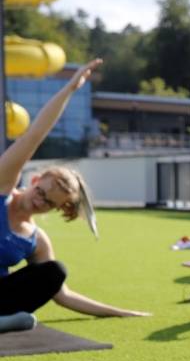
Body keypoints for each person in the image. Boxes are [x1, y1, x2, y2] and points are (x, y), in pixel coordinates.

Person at [0, 58, 148, 330]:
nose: (40, 201)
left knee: (54, 272)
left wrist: (119, 312)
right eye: (41, 192)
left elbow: (63, 295)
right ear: (35, 180)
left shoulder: (35, 240)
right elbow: (33, 137)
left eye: (49, 203)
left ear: (56, 209)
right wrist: (70, 89)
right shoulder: (2, 187)